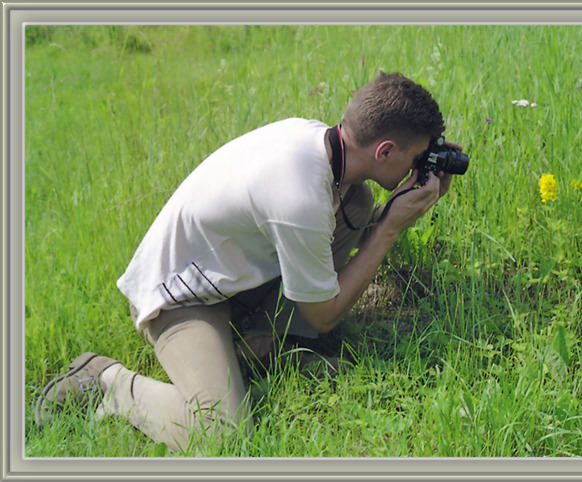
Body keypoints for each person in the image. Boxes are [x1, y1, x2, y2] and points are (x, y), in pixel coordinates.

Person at [35, 71, 461, 452]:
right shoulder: (299, 195)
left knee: (358, 202)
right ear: (385, 151)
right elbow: (325, 314)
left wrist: (383, 215)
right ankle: (107, 382)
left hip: (231, 278)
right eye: (414, 156)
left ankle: (267, 342)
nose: (418, 166)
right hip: (179, 298)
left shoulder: (318, 143)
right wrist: (389, 229)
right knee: (220, 435)